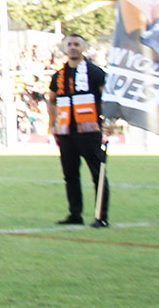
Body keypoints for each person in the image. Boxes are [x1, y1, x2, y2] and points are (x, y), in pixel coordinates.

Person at [45, 33, 111, 228]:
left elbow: (106, 99)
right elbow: (52, 99)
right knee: (70, 174)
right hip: (66, 132)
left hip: (90, 131)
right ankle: (75, 213)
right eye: (70, 44)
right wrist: (52, 124)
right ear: (65, 48)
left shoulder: (95, 72)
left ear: (84, 47)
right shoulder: (59, 75)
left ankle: (101, 216)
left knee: (97, 174)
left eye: (76, 44)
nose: (73, 47)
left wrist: (108, 124)